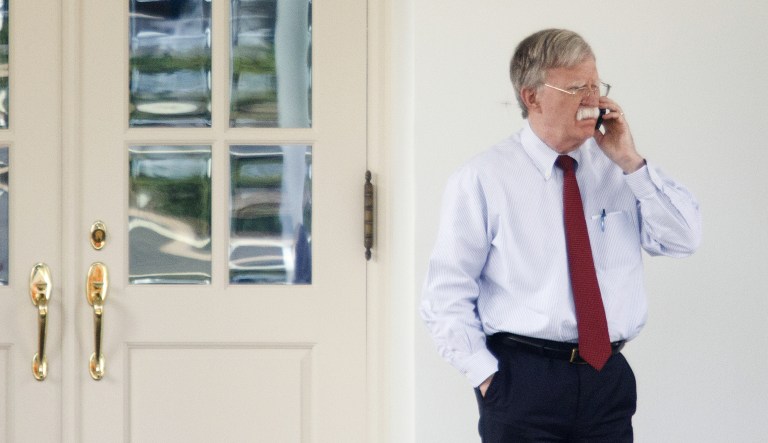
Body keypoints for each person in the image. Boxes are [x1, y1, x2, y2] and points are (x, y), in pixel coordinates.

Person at [420, 28, 702, 442]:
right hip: (522, 383)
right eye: (576, 87)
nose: (593, 99)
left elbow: (683, 239)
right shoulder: (482, 179)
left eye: (595, 85)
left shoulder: (619, 169)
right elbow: (445, 293)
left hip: (607, 380)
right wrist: (486, 376)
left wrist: (630, 160)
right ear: (531, 96)